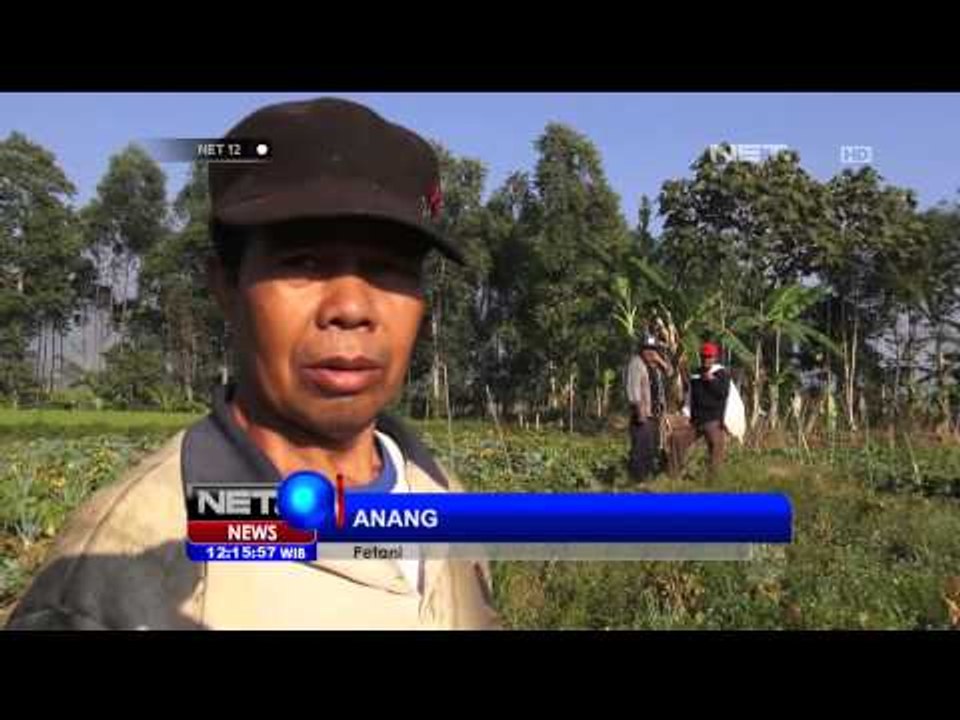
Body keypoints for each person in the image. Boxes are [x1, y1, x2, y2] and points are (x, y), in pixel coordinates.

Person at [6, 98, 500, 630]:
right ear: (224, 284)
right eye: (303, 264)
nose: (352, 309)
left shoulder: (438, 492)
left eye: (388, 269)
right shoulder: (122, 574)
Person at [669, 341, 731, 479]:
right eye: (704, 357)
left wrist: (712, 381)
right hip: (695, 421)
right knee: (676, 439)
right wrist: (686, 414)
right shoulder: (696, 374)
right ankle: (673, 475)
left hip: (714, 421)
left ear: (715, 358)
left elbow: (723, 393)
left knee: (716, 450)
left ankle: (713, 480)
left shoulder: (721, 374)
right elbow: (690, 395)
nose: (706, 360)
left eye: (709, 357)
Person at [624, 336, 673, 481]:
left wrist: (660, 361)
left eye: (653, 349)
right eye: (647, 349)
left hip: (655, 415)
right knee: (640, 449)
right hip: (642, 414)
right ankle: (637, 479)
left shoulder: (655, 366)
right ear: (641, 349)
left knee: (652, 448)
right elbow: (633, 390)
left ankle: (647, 477)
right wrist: (640, 413)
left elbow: (670, 373)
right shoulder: (636, 364)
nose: (650, 352)